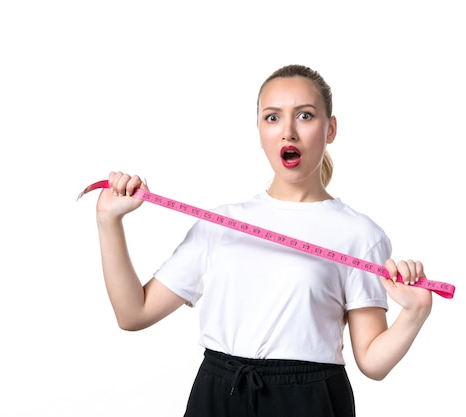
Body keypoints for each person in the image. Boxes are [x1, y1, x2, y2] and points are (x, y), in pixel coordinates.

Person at [93, 64, 433, 417]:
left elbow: (372, 362)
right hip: (218, 395)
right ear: (259, 130)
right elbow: (134, 314)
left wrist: (415, 312)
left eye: (304, 115)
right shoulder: (220, 224)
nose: (288, 132)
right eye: (272, 118)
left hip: (310, 401)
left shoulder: (361, 235)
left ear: (330, 128)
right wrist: (108, 221)